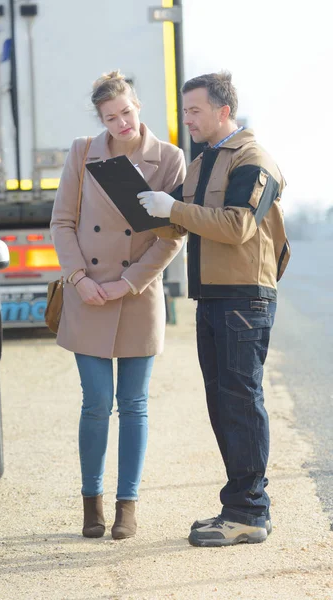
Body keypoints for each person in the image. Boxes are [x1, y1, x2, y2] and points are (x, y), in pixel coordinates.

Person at [138, 71, 290, 547]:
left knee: (241, 404)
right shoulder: (204, 164)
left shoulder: (252, 159)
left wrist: (173, 209)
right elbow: (183, 225)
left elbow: (238, 226)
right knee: (223, 404)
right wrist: (142, 210)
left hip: (245, 299)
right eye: (185, 111)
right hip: (214, 299)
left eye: (195, 110)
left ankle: (249, 512)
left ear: (225, 111)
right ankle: (239, 507)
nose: (188, 120)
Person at [50, 70, 185, 540]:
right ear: (101, 119)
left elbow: (172, 237)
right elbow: (63, 221)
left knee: (134, 404)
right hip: (87, 294)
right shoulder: (83, 152)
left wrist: (127, 283)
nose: (121, 123)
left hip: (137, 295)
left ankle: (128, 505)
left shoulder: (169, 159)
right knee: (96, 402)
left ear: (137, 106)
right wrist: (79, 278)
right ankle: (92, 503)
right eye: (111, 117)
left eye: (126, 112)